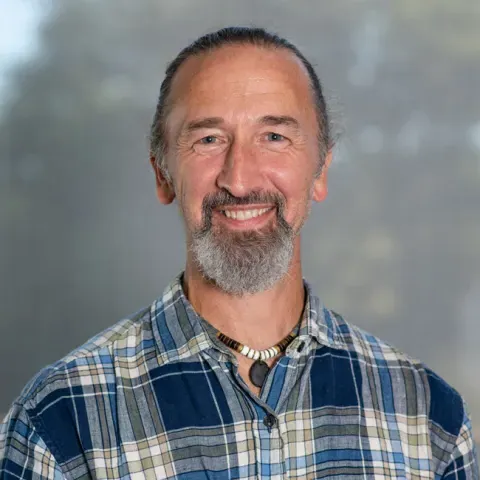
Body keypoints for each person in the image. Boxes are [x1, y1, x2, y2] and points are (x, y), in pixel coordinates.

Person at [0, 26, 478, 479]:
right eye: (208, 139)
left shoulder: (428, 419)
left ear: (322, 170)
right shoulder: (60, 419)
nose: (240, 178)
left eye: (274, 137)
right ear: (163, 174)